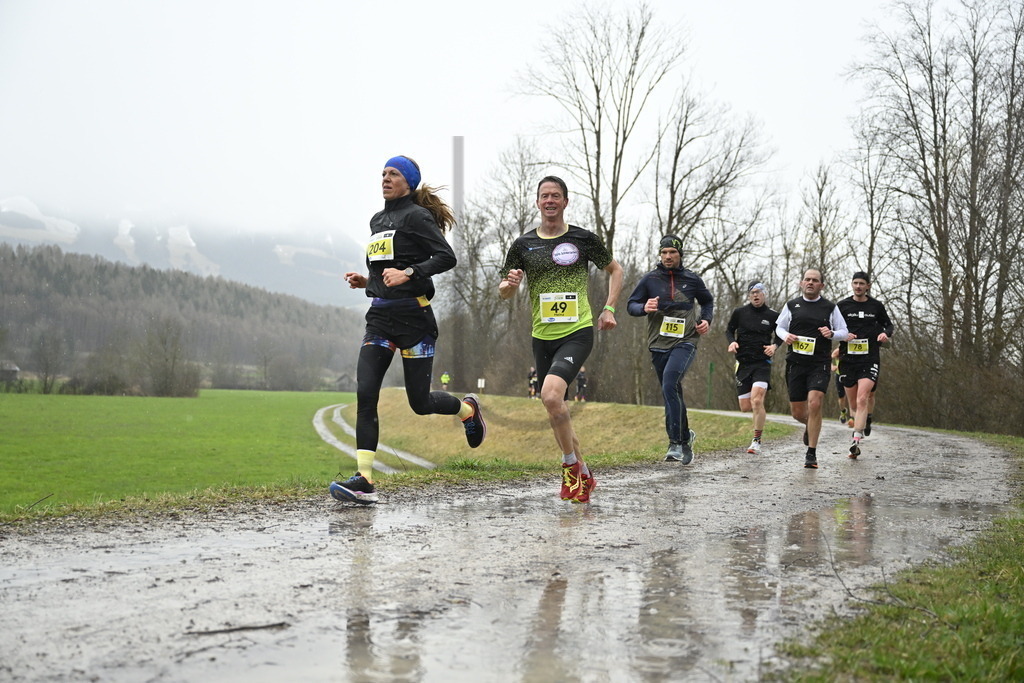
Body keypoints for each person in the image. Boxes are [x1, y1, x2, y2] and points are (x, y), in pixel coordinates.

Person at [330, 155, 486, 504]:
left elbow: (445, 256)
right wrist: (367, 281)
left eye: (393, 173)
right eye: (383, 173)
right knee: (366, 392)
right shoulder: (377, 220)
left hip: (415, 320)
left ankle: (467, 411)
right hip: (380, 319)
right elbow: (384, 266)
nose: (385, 178)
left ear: (409, 182)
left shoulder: (417, 216)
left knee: (420, 402)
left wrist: (409, 273)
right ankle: (364, 479)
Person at [498, 175, 623, 503]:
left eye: (556, 195)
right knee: (555, 408)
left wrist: (609, 308)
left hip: (577, 332)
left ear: (565, 201)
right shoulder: (523, 245)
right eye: (545, 196)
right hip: (542, 336)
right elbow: (503, 292)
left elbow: (616, 270)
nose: (550, 200)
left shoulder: (583, 238)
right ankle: (585, 473)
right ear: (537, 202)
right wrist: (510, 285)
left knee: (552, 396)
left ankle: (569, 467)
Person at [627, 235, 714, 464]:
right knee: (671, 391)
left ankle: (675, 443)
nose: (667, 256)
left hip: (686, 340)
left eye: (672, 252)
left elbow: (707, 301)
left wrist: (706, 319)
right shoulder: (650, 279)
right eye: (664, 252)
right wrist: (644, 307)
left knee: (669, 382)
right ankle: (685, 437)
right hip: (658, 343)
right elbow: (631, 305)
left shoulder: (692, 279)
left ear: (680, 255)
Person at [775, 268, 850, 469]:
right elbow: (779, 327)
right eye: (807, 279)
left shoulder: (830, 307)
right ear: (801, 283)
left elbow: (844, 332)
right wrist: (785, 336)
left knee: (815, 403)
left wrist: (832, 333)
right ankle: (810, 425)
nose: (810, 283)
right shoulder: (792, 305)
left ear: (821, 286)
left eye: (815, 280)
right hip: (796, 363)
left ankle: (811, 454)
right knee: (797, 413)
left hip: (819, 363)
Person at [836, 271, 894, 458]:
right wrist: (842, 336)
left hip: (869, 358)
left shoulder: (876, 306)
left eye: (862, 283)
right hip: (848, 360)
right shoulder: (842, 306)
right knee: (853, 403)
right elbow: (832, 328)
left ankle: (855, 441)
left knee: (863, 399)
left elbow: (889, 325)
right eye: (855, 283)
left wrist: (885, 334)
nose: (858, 286)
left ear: (868, 286)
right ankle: (865, 419)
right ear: (852, 284)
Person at [725, 281, 779, 455]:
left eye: (758, 292)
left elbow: (780, 334)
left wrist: (774, 346)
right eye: (752, 292)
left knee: (757, 400)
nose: (755, 295)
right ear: (749, 296)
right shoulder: (739, 312)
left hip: (762, 363)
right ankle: (756, 433)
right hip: (743, 363)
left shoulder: (772, 315)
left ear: (764, 294)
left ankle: (756, 440)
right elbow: (729, 330)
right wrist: (732, 342)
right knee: (745, 406)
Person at [831, 352, 851, 426]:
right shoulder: (838, 350)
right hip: (840, 375)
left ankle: (853, 417)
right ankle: (843, 411)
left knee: (853, 397)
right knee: (841, 397)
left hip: (851, 374)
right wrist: (832, 366)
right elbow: (829, 357)